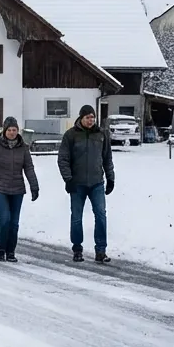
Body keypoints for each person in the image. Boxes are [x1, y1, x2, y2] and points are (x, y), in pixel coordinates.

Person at [0, 116, 40, 262]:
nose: (12, 132)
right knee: (5, 218)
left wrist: (34, 186)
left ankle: (11, 251)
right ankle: (1, 249)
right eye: (9, 130)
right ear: (4, 131)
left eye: (14, 130)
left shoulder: (23, 147)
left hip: (17, 189)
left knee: (14, 222)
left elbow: (29, 168)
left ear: (18, 131)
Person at [57, 105, 114, 263]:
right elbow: (63, 159)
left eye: (93, 117)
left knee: (101, 215)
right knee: (76, 217)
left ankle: (101, 250)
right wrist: (68, 179)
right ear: (81, 118)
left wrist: (111, 178)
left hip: (97, 182)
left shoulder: (101, 134)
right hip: (77, 183)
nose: (91, 120)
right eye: (88, 117)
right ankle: (77, 249)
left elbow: (107, 158)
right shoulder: (71, 135)